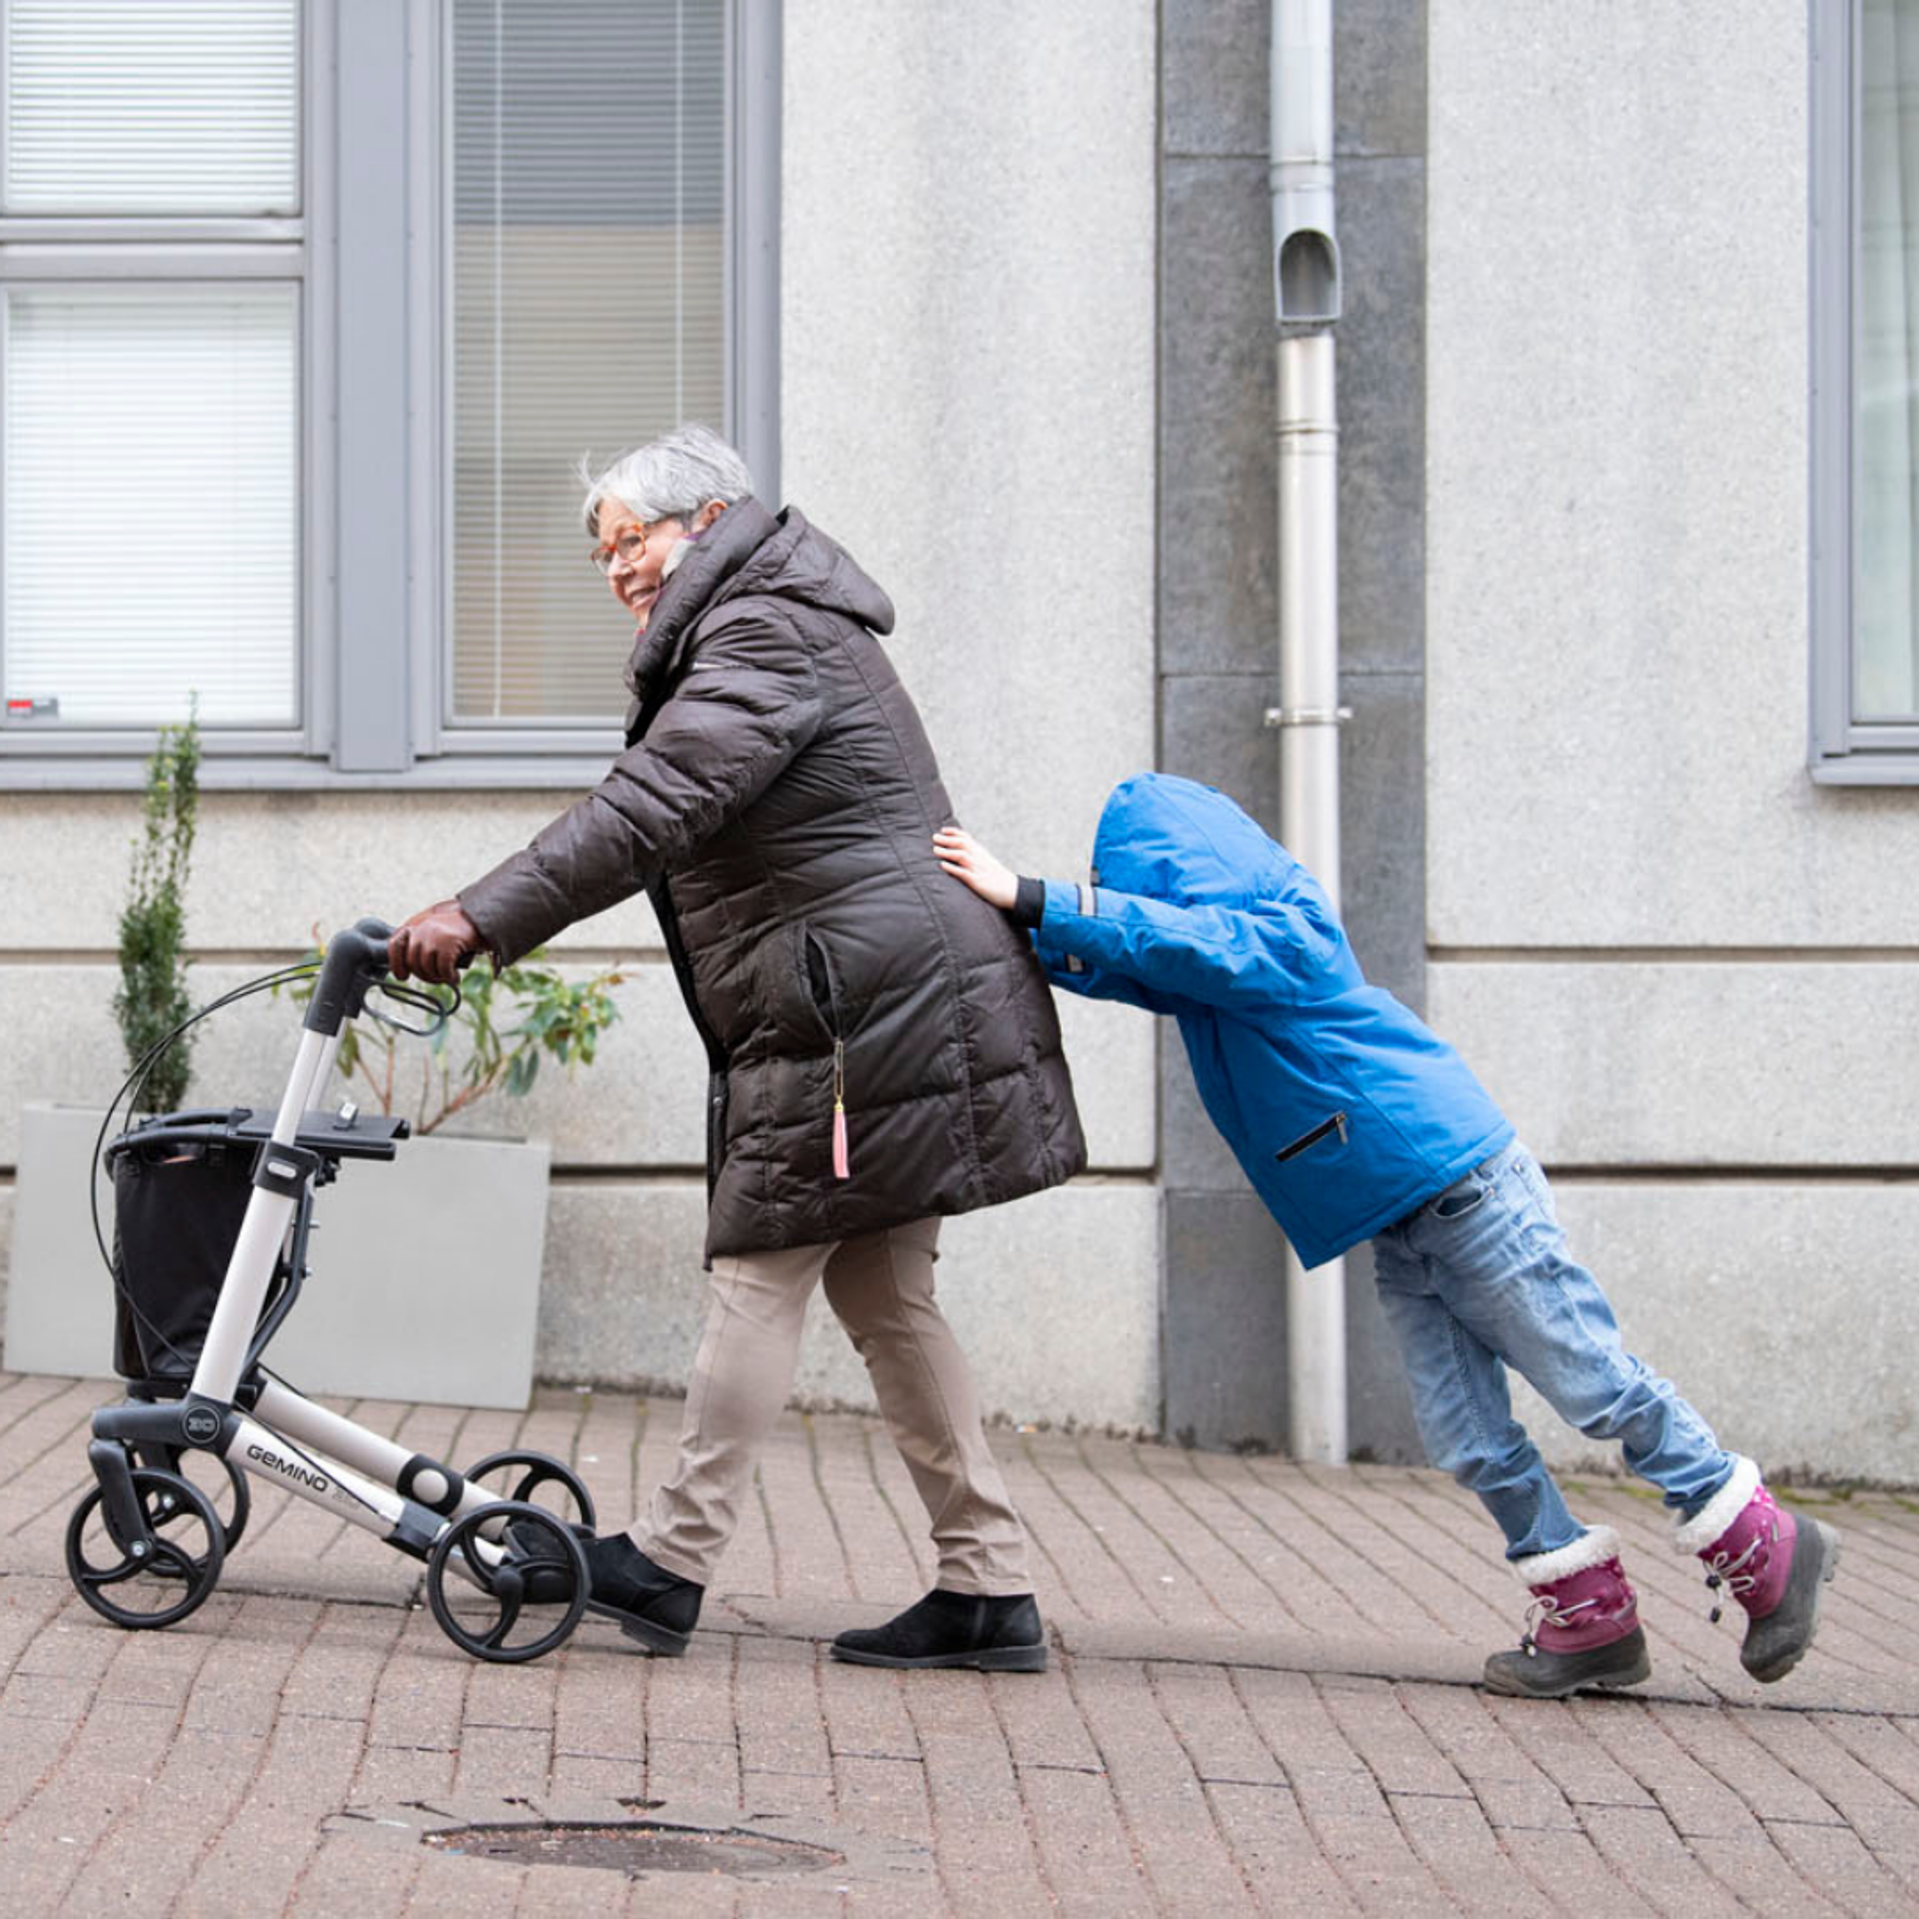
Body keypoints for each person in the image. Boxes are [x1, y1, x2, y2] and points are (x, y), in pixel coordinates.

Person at [391, 424, 1083, 1672]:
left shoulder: (768, 630)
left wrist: (478, 914)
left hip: (857, 1012)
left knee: (761, 1261)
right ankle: (987, 1585)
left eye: (631, 539)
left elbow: (652, 806)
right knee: (882, 1289)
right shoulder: (767, 617)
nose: (616, 569)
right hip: (869, 1000)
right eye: (602, 552)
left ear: (706, 520)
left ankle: (666, 1560)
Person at [933, 772, 1840, 1698]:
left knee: (1592, 1382)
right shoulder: (1209, 964)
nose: (1137, 902)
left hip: (1463, 1187)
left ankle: (1762, 1538)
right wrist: (1004, 923)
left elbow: (1189, 942)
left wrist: (1040, 895)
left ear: (1184, 867)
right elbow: (1135, 958)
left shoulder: (1284, 926)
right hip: (1401, 1217)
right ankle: (1590, 1616)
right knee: (1468, 1435)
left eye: (1139, 884)